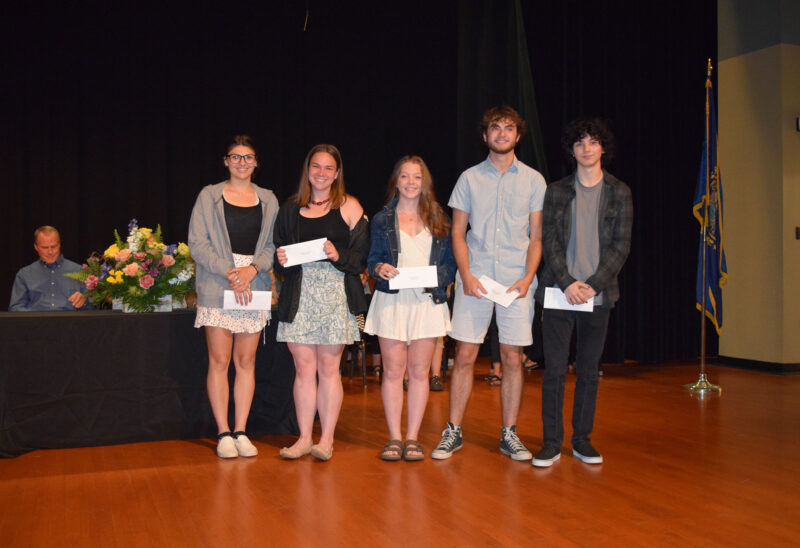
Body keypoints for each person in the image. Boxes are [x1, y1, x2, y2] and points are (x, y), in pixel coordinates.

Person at [433, 105, 546, 461]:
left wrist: (528, 277)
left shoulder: (534, 180)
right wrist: (465, 275)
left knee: (513, 357)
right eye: (495, 128)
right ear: (485, 136)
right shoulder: (469, 178)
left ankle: (509, 434)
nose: (501, 133)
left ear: (517, 134)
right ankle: (453, 431)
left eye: (508, 128)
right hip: (476, 280)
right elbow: (457, 231)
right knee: (465, 354)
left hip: (516, 282)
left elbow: (538, 236)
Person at [531, 117, 633, 467]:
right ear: (571, 150)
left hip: (599, 295)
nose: (586, 148)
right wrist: (568, 283)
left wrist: (593, 285)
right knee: (555, 371)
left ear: (603, 148)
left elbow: (621, 247)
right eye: (579, 143)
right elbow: (550, 242)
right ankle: (551, 442)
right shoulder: (557, 190)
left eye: (592, 142)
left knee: (589, 371)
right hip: (560, 292)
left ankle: (581, 439)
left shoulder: (620, 192)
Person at [274, 144, 369, 461]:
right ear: (307, 169)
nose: (322, 173)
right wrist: (281, 259)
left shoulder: (350, 207)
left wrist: (337, 254)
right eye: (316, 166)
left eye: (329, 168)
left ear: (337, 173)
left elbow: (359, 260)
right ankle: (303, 438)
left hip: (335, 295)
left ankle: (326, 439)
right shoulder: (289, 209)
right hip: (299, 296)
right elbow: (279, 259)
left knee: (329, 369)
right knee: (303, 369)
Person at [188, 135, 279, 459]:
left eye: (248, 157)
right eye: (236, 156)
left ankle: (241, 430)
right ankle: (223, 432)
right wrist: (230, 272)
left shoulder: (269, 199)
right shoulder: (209, 196)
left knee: (246, 361)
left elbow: (272, 245)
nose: (242, 162)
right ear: (226, 161)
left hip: (253, 283)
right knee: (219, 360)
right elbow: (197, 244)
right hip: (218, 282)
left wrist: (252, 271)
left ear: (256, 162)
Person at [365, 155, 456, 461]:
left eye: (416, 177)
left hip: (426, 302)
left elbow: (450, 266)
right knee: (393, 372)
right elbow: (372, 260)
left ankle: (413, 438)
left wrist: (435, 279)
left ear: (424, 182)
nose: (411, 183)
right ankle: (394, 438)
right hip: (392, 301)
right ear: (396, 181)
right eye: (405, 176)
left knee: (419, 372)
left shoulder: (439, 218)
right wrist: (379, 268)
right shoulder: (381, 219)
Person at [9, 226, 89, 311]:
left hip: (71, 323)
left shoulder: (79, 271)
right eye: (45, 247)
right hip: (35, 323)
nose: (50, 252)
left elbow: (94, 307)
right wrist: (35, 319)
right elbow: (15, 308)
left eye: (54, 246)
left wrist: (85, 301)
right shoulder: (24, 274)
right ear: (36, 247)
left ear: (60, 245)